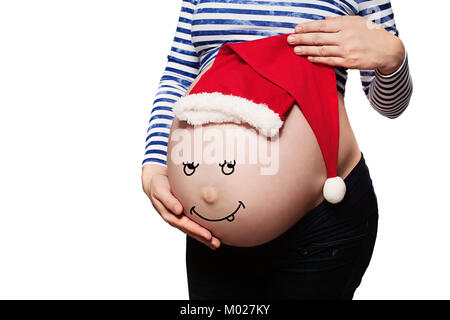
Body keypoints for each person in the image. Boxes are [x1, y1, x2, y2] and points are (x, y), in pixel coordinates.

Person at [141, 0, 412, 300]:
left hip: (321, 223)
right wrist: (153, 166)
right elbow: (178, 76)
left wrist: (393, 59)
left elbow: (390, 105)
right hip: (211, 231)